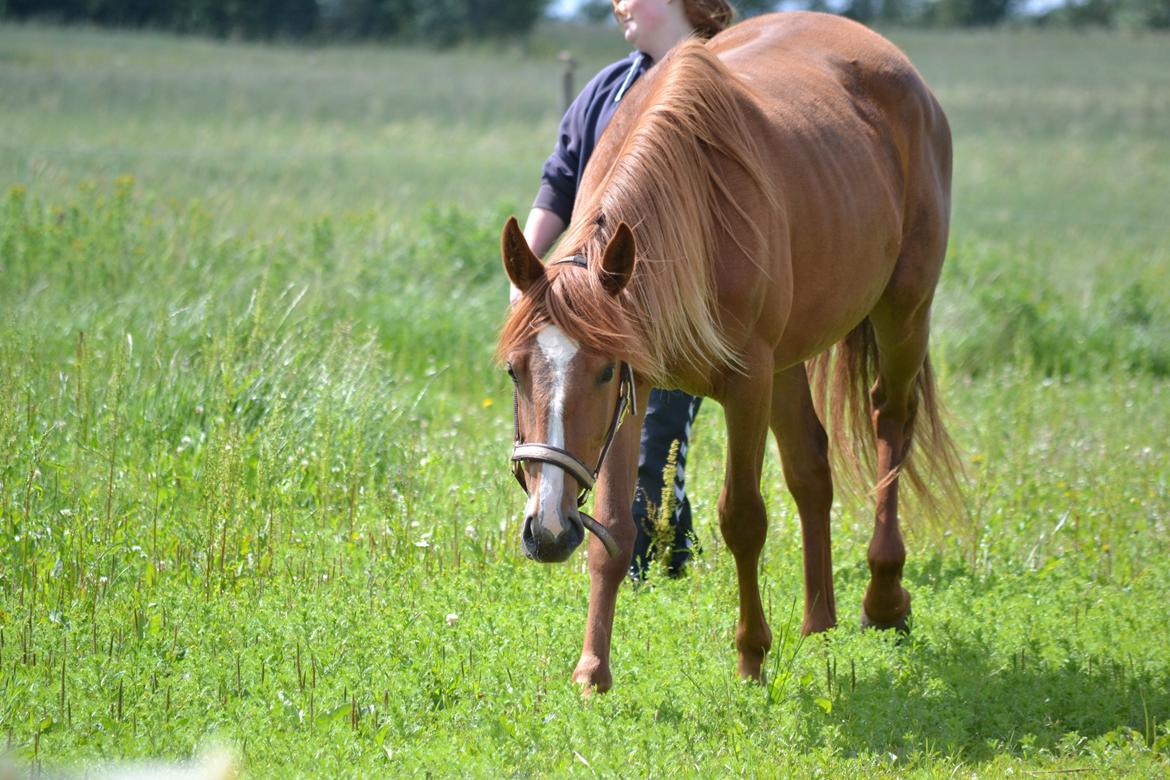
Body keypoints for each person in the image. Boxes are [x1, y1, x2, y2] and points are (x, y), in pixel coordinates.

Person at [519, 0, 737, 578]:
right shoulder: (611, 86)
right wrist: (529, 274)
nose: (618, 5)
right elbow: (561, 178)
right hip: (595, 307)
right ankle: (644, 558)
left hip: (676, 302)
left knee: (659, 435)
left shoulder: (727, 79)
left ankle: (658, 561)